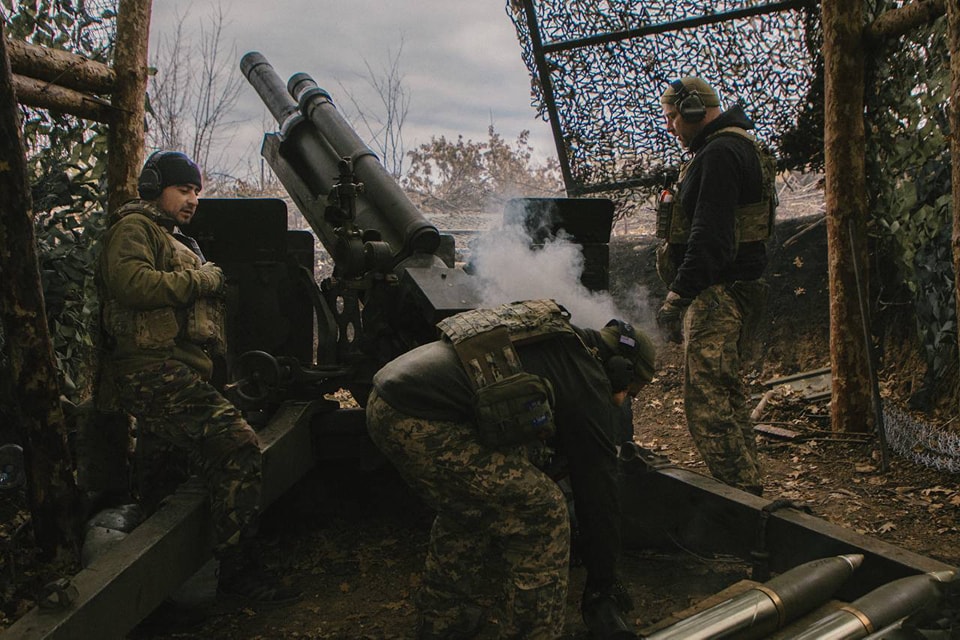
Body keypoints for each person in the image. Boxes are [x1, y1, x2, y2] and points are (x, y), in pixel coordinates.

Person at [365, 299, 656, 639]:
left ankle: (445, 621)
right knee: (542, 510)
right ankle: (532, 631)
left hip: (388, 399)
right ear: (620, 368)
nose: (623, 400)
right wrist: (602, 584)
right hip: (419, 419)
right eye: (629, 390)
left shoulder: (562, 342)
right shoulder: (587, 378)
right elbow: (599, 494)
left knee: (473, 505)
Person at [97, 150, 300, 606]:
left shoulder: (170, 236)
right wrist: (203, 281)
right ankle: (238, 571)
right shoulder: (135, 229)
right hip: (152, 370)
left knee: (165, 476)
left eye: (196, 192)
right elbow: (131, 283)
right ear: (154, 187)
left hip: (173, 370)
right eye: (183, 190)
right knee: (238, 445)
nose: (192, 200)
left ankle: (158, 592)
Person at [654, 77, 777, 496]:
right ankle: (751, 489)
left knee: (707, 406)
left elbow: (711, 238)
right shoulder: (738, 144)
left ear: (693, 110)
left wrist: (678, 295)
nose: (670, 126)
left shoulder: (720, 153)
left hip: (720, 295)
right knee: (727, 395)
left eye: (673, 116)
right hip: (738, 289)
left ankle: (742, 503)